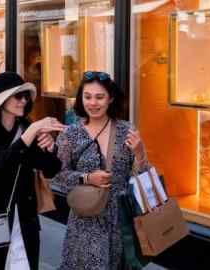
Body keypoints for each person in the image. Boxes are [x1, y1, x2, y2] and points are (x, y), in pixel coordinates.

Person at [0, 72, 65, 270]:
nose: (23, 101)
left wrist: (51, 148)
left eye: (25, 96)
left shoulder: (26, 128)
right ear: (2, 99)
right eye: (18, 96)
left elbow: (51, 170)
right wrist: (31, 133)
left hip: (24, 214)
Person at [55, 71, 150, 270]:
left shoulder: (126, 130)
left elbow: (143, 177)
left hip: (119, 221)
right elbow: (60, 176)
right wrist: (87, 178)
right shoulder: (71, 134)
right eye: (87, 96)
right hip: (85, 221)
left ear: (111, 99)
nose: (93, 103)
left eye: (100, 97)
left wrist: (140, 153)